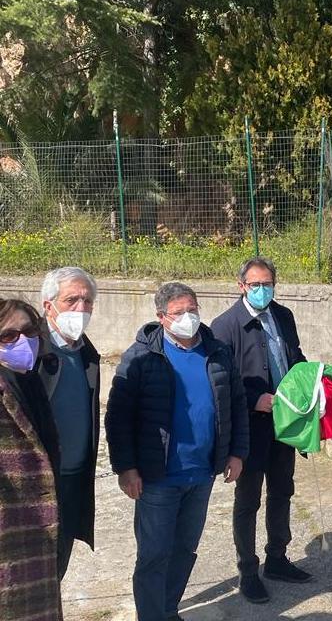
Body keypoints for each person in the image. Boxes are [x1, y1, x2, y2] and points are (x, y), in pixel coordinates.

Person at [105, 282, 248, 621]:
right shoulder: (142, 356)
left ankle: (168, 609)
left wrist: (237, 452)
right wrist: (126, 467)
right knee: (154, 554)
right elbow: (118, 416)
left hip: (202, 473)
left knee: (185, 549)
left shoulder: (217, 352)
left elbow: (237, 404)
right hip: (158, 477)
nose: (188, 317)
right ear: (161, 317)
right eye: (179, 312)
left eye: (192, 309)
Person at [211, 257, 310, 605]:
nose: (262, 290)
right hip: (250, 428)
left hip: (285, 423)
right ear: (241, 286)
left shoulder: (283, 316)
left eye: (268, 284)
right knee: (248, 500)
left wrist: (309, 386)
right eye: (255, 285)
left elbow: (296, 360)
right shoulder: (225, 326)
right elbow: (221, 379)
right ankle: (248, 571)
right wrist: (255, 399)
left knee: (282, 490)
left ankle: (277, 558)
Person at [0, 298, 62, 620]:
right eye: (8, 335)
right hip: (9, 534)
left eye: (29, 331)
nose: (22, 341)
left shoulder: (30, 380)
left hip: (36, 527)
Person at [37, 267, 100, 579]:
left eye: (87, 301)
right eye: (71, 300)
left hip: (73, 480)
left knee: (56, 568)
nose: (81, 308)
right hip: (36, 486)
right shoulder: (28, 351)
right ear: (49, 305)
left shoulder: (86, 352)